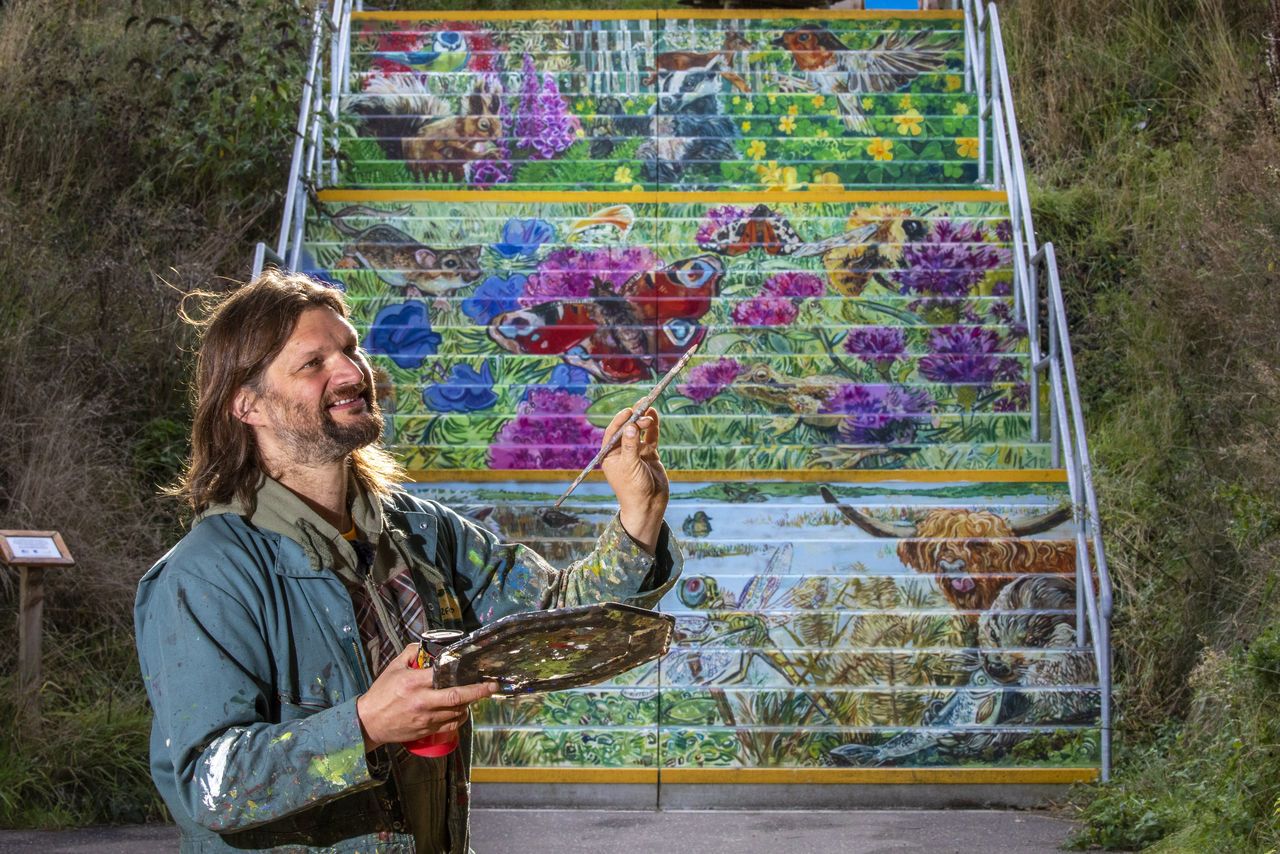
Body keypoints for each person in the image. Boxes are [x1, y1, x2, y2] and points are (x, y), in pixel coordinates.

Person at [134, 270, 681, 853]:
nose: (351, 372)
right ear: (248, 405)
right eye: (312, 363)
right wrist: (364, 725)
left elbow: (557, 629)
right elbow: (210, 786)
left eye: (349, 349)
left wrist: (639, 513)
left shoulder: (423, 531)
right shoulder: (207, 575)